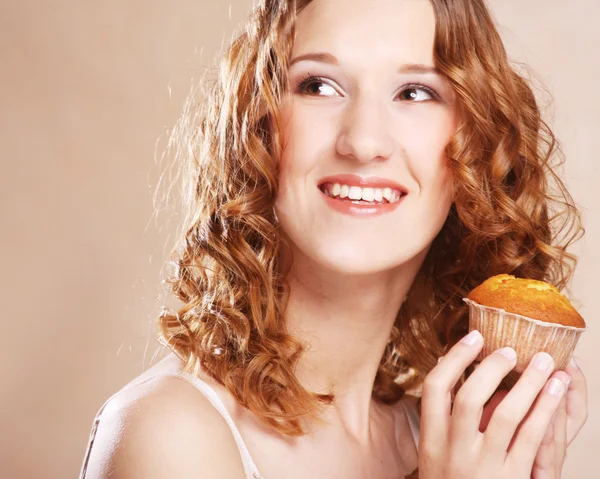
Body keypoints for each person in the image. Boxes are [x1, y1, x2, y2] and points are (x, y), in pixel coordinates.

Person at [80, 0, 588, 477]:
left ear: (476, 143)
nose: (363, 141)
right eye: (319, 86)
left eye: (415, 92)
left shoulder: (443, 443)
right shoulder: (171, 434)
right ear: (259, 125)